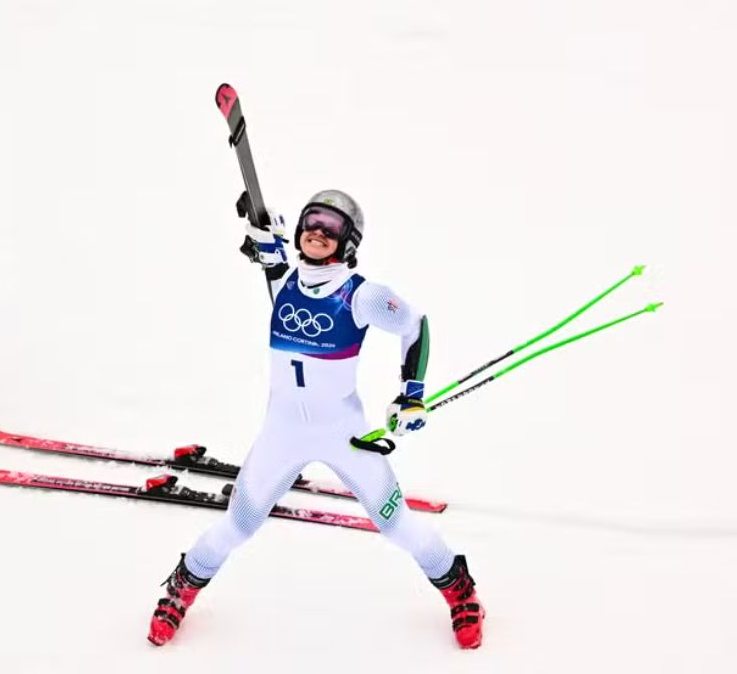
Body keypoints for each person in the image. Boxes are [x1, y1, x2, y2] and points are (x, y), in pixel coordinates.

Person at [146, 190, 484, 648]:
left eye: (332, 226)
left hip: (343, 434)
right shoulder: (281, 280)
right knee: (239, 523)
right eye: (313, 221)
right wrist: (264, 240)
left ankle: (459, 590)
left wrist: (412, 394)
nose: (319, 231)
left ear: (349, 241)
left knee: (396, 523)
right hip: (282, 433)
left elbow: (414, 324)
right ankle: (182, 587)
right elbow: (267, 250)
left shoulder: (361, 295)